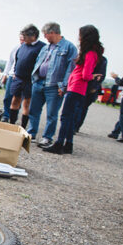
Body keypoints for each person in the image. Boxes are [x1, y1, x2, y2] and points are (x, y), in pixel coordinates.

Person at [44, 25, 103, 154]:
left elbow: (86, 75)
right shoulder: (92, 52)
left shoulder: (90, 53)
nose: (79, 37)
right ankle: (68, 144)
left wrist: (92, 76)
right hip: (77, 88)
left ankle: (59, 144)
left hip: (76, 87)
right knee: (70, 117)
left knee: (65, 116)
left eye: (80, 35)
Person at [27, 22, 78, 148]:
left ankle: (47, 137)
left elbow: (70, 69)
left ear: (53, 32)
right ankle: (31, 133)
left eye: (46, 34)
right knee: (34, 110)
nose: (44, 37)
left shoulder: (69, 47)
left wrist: (64, 86)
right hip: (39, 82)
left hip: (54, 85)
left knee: (52, 113)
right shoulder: (46, 47)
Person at [8, 24, 45, 129]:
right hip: (18, 78)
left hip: (30, 80)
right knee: (15, 100)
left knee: (26, 103)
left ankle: (23, 127)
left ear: (33, 36)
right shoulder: (23, 46)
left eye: (25, 36)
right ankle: (11, 124)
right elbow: (17, 59)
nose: (23, 38)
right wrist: (15, 71)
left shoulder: (42, 47)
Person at [74, 56, 107, 133]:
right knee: (81, 107)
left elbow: (101, 75)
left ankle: (75, 127)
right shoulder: (89, 56)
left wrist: (95, 87)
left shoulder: (101, 59)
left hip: (89, 87)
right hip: (83, 85)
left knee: (81, 107)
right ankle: (75, 127)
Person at [1, 33, 24, 121]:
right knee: (7, 97)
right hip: (11, 75)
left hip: (21, 77)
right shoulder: (16, 48)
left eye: (23, 39)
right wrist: (5, 74)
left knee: (18, 98)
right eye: (20, 38)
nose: (21, 40)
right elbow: (10, 62)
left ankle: (13, 116)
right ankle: (6, 115)